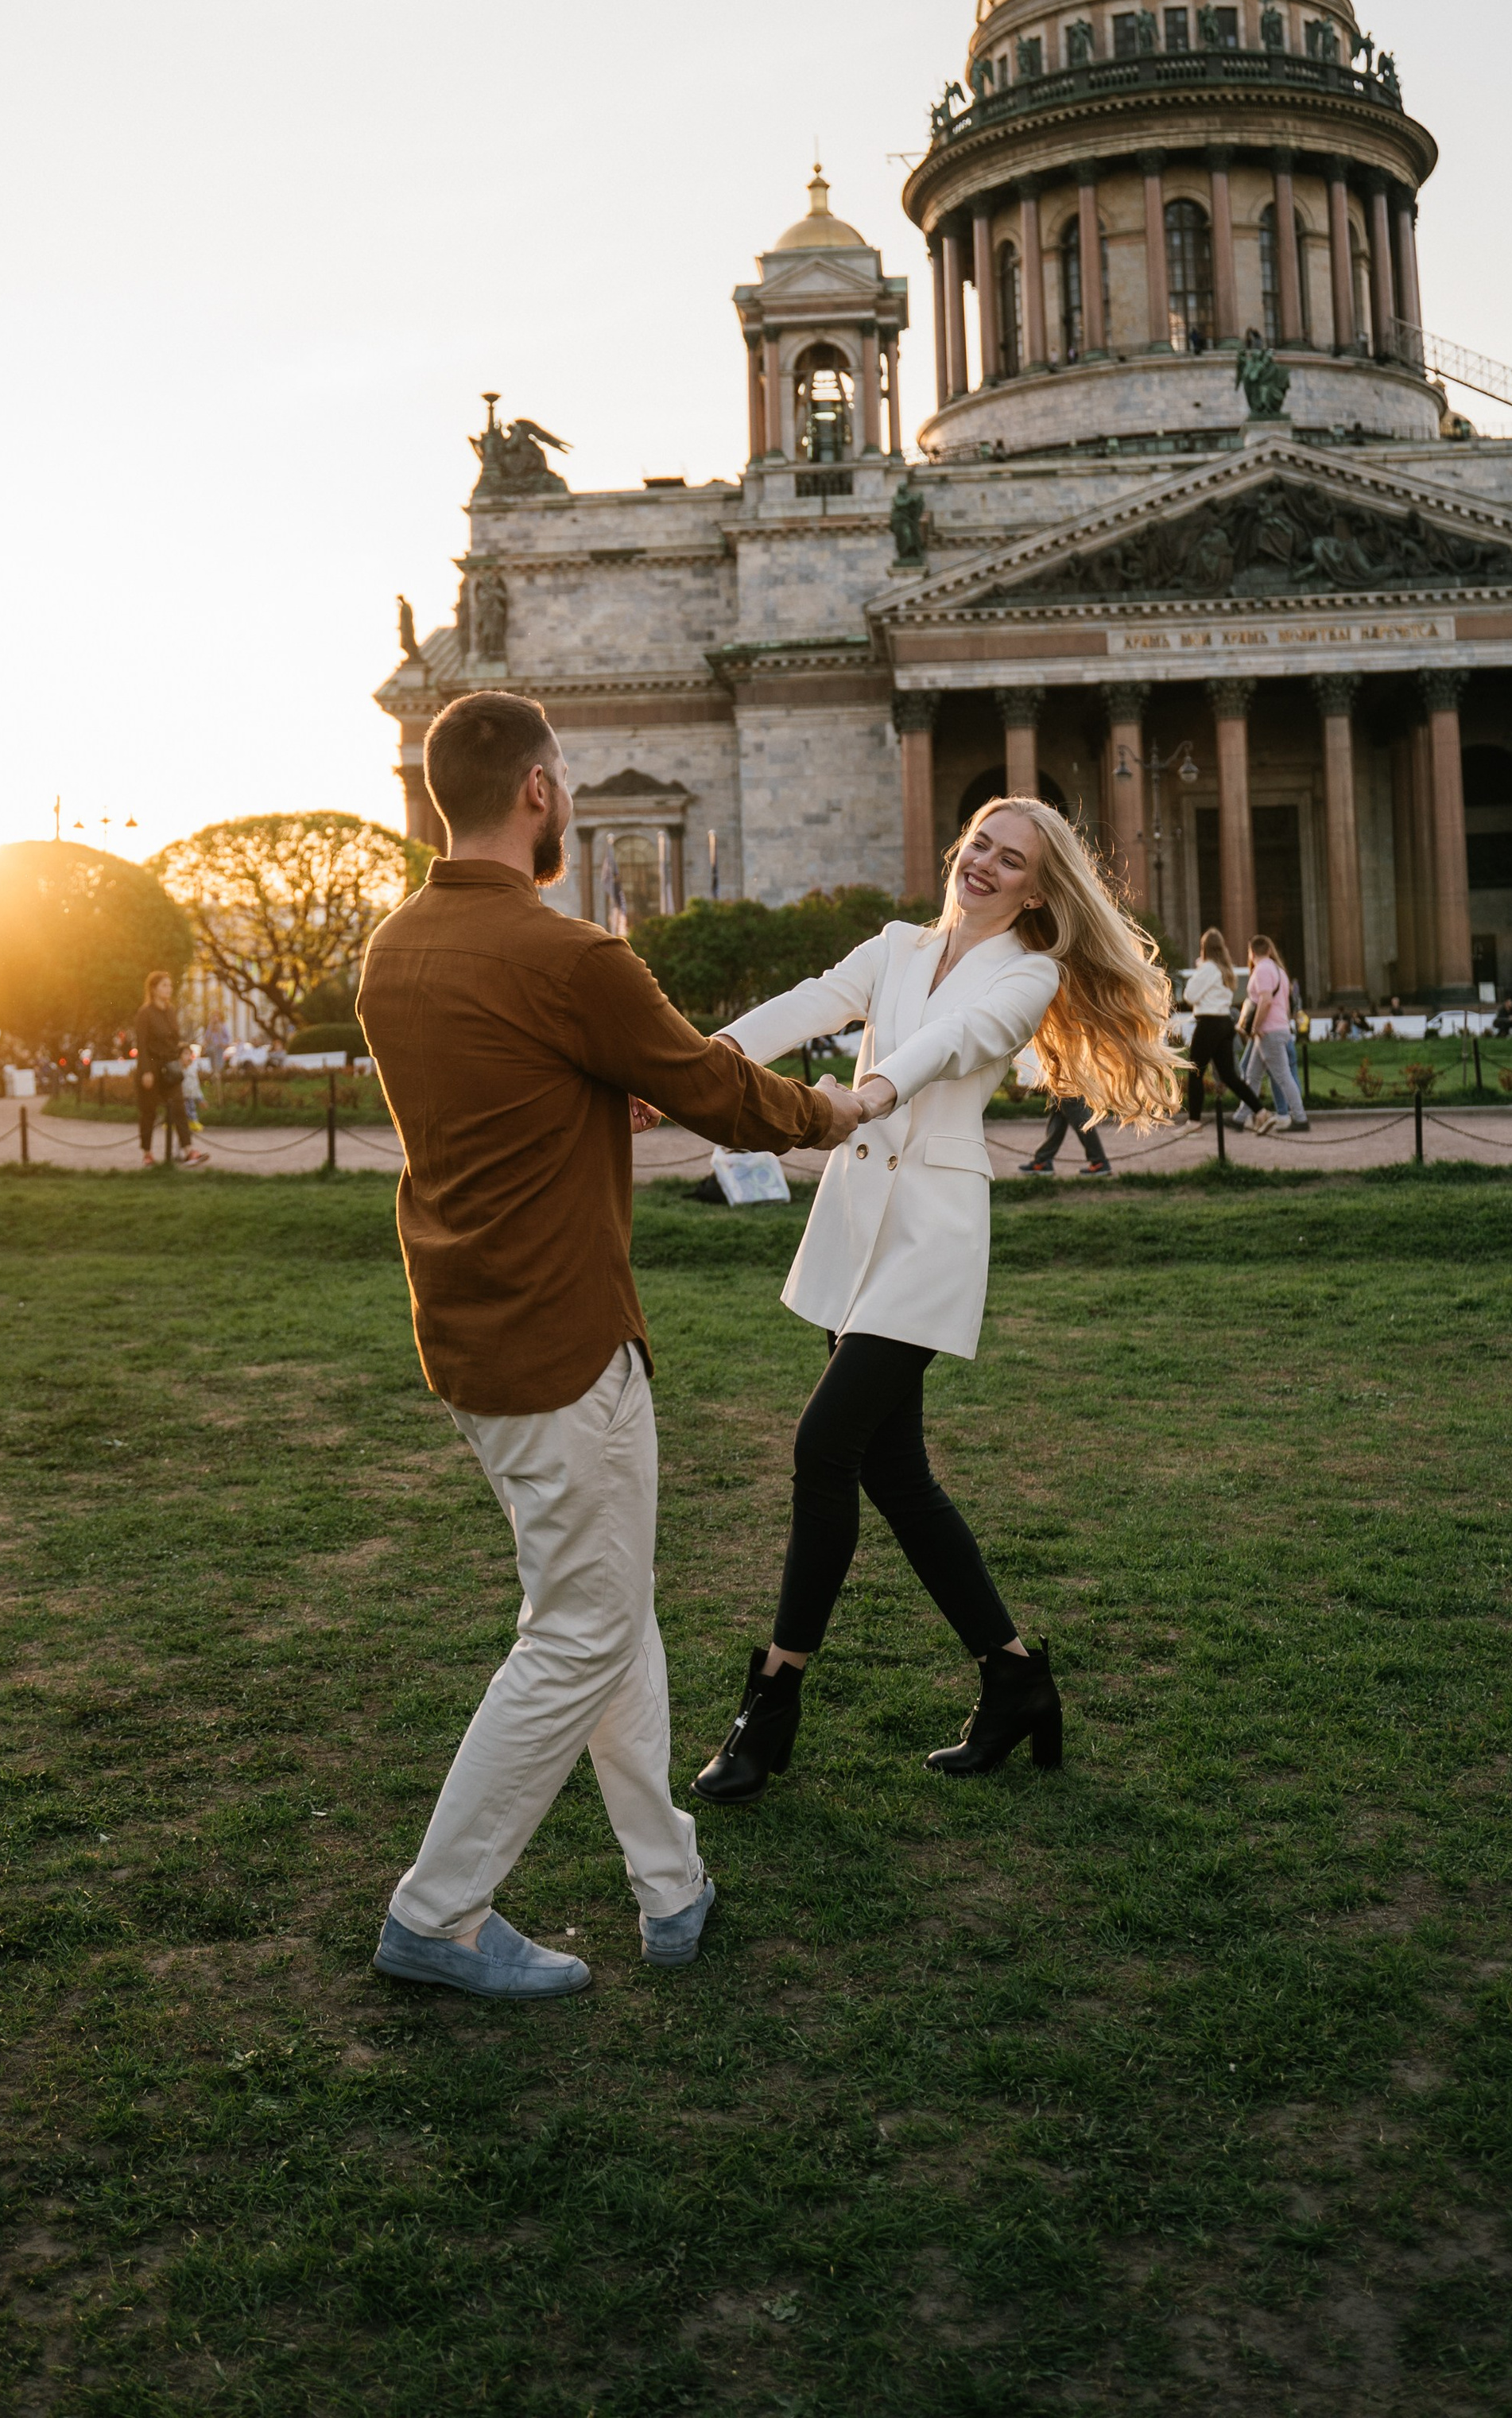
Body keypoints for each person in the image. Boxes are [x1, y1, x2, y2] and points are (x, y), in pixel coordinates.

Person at [356, 690, 863, 2003]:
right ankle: (439, 1910)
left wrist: (599, 1099)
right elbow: (718, 1088)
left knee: (606, 1608)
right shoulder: (572, 957)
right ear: (538, 789)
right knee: (580, 1631)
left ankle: (670, 1884)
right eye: (565, 779)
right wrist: (838, 1106)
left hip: (471, 1330)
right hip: (563, 1339)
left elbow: (516, 1092)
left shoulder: (394, 947)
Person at [691, 797, 1180, 1805]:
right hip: (856, 1224)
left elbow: (955, 1043)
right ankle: (1014, 1680)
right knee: (896, 1476)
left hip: (931, 1239)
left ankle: (771, 1705)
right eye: (979, 848)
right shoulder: (895, 945)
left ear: (1039, 888)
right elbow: (808, 1004)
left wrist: (866, 1095)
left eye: (1012, 861)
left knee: (823, 1449)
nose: (986, 867)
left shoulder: (1029, 973)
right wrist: (693, 1067)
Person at [1182, 931, 1267, 1127]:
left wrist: (1200, 968)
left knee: (1195, 1073)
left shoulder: (1208, 968)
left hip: (1208, 1024)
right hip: (1224, 1024)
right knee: (1229, 1076)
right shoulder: (1225, 969)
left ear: (1204, 948)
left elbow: (1190, 996)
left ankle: (1194, 1122)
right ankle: (1260, 1111)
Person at [1233, 933, 1309, 1134]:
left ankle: (1300, 1118)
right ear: (1268, 950)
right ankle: (1241, 1118)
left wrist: (1255, 1027)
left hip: (1269, 1032)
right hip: (1277, 1029)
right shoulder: (1280, 971)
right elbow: (1283, 1004)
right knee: (1252, 1075)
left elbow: (1265, 1001)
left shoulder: (1262, 970)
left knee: (1283, 1076)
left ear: (1251, 953)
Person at [132, 972, 208, 1169]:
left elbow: (174, 1039)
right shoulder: (145, 1013)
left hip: (170, 1068)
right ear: (154, 988)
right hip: (151, 1067)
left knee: (179, 1108)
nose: (169, 989)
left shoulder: (171, 1011)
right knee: (148, 1112)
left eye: (169, 985)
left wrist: (181, 1056)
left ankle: (188, 1151)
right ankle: (147, 1153)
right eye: (165, 985)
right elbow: (141, 1044)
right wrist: (147, 1071)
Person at [1023, 1089, 1112, 1178]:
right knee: (1058, 1109)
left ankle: (1099, 1162)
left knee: (1074, 1106)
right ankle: (1043, 1160)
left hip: (1067, 1078)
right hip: (1060, 1078)